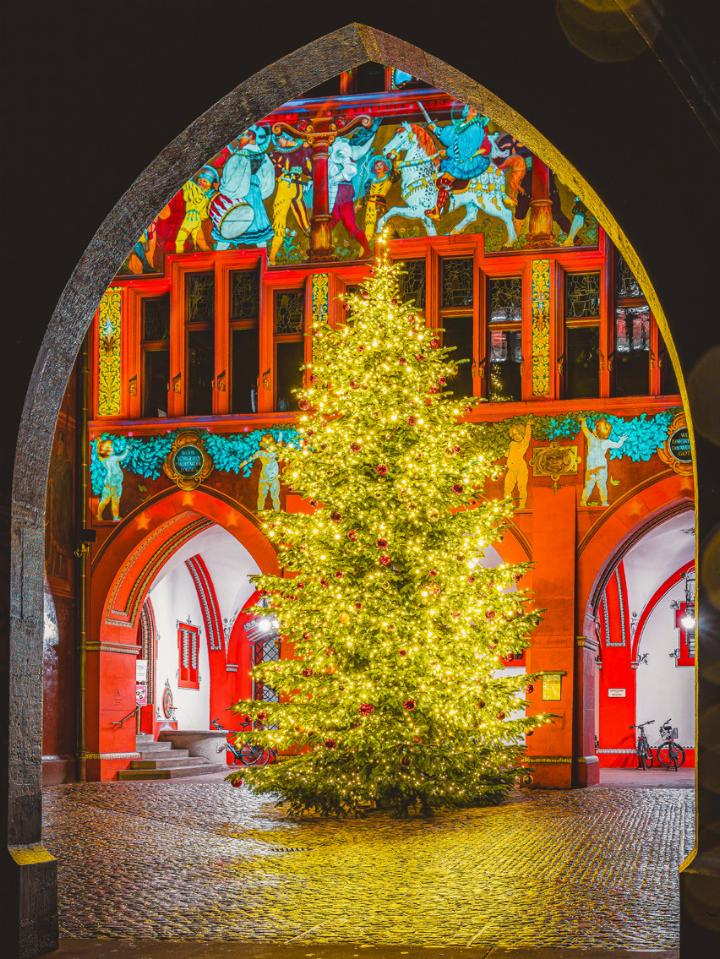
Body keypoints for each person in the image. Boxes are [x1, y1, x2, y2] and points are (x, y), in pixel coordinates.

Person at [420, 103, 491, 219]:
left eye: (477, 109)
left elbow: (465, 149)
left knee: (445, 180)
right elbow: (449, 137)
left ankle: (437, 210)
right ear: (466, 109)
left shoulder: (476, 128)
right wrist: (435, 129)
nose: (474, 109)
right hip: (458, 158)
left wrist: (447, 153)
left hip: (466, 161)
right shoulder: (462, 125)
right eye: (472, 107)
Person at [212, 125, 275, 250]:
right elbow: (268, 181)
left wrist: (221, 188)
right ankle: (265, 257)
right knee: (259, 230)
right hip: (256, 196)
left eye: (242, 137)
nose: (239, 140)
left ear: (251, 136)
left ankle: (218, 255)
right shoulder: (264, 157)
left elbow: (232, 181)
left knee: (229, 226)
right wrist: (258, 192)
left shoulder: (240, 156)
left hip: (238, 195)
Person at [268, 131, 312, 264]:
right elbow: (308, 171)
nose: (278, 142)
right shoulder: (299, 150)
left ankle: (272, 258)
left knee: (282, 222)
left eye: (279, 139)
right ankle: (273, 257)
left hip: (288, 187)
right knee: (301, 222)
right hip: (294, 186)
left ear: (285, 137)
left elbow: (308, 170)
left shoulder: (285, 152)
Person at [580, 417, 627, 507]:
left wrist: (583, 421)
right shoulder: (606, 442)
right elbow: (617, 445)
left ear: (596, 431)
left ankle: (583, 501)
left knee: (589, 485)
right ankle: (604, 502)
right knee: (602, 486)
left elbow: (584, 429)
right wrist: (622, 440)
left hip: (591, 467)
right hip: (601, 467)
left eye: (595, 427)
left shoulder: (591, 438)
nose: (593, 428)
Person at [175, 166, 218, 253]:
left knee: (179, 241)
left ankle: (178, 257)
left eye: (204, 181)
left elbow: (187, 184)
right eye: (200, 180)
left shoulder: (195, 191)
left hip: (190, 219)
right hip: (197, 221)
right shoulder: (204, 195)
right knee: (200, 243)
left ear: (209, 184)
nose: (201, 182)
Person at [239, 433, 281, 511]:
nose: (268, 446)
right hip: (264, 478)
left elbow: (279, 445)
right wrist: (242, 464)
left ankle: (277, 512)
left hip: (274, 478)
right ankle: (260, 512)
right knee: (262, 496)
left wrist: (281, 435)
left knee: (275, 497)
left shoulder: (275, 452)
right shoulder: (260, 453)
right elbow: (250, 458)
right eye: (266, 444)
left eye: (270, 444)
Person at [363, 155, 395, 243]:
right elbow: (366, 194)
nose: (379, 167)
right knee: (368, 228)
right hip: (370, 206)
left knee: (383, 226)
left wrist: (392, 160)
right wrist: (362, 203)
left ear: (385, 167)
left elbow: (393, 174)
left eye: (381, 165)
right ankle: (365, 247)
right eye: (377, 166)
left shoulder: (388, 178)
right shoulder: (371, 181)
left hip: (380, 204)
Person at [96, 438, 129, 522]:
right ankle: (113, 517)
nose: (112, 448)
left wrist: (98, 444)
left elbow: (99, 455)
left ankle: (105, 516)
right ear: (105, 450)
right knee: (114, 501)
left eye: (111, 447)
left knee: (107, 500)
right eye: (109, 447)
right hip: (113, 483)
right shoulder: (113, 458)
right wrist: (127, 450)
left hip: (114, 483)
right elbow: (122, 456)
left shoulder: (104, 459)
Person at [504, 420, 532, 509]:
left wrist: (528, 425)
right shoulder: (512, 444)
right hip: (511, 469)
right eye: (514, 434)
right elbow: (508, 454)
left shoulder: (524, 444)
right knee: (507, 487)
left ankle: (522, 505)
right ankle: (508, 505)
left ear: (522, 434)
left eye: (519, 434)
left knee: (522, 487)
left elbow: (528, 436)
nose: (517, 436)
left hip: (521, 468)